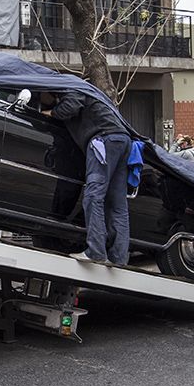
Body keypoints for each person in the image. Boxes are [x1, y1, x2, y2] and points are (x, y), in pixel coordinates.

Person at [42, 91, 131, 265]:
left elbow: (71, 106)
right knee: (117, 205)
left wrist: (51, 113)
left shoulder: (70, 87)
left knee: (93, 196)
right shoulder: (88, 91)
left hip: (103, 141)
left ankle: (96, 252)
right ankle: (119, 258)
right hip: (122, 140)